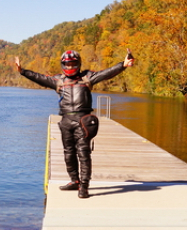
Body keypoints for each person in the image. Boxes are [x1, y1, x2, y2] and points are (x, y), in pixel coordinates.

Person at [14, 49, 134, 198]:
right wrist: (23, 71)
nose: (70, 67)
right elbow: (39, 78)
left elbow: (106, 73)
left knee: (83, 154)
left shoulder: (87, 77)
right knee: (68, 154)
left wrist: (123, 64)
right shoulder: (58, 80)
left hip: (83, 121)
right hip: (66, 121)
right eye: (67, 64)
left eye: (73, 64)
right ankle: (74, 181)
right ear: (63, 64)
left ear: (78, 64)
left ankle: (84, 186)